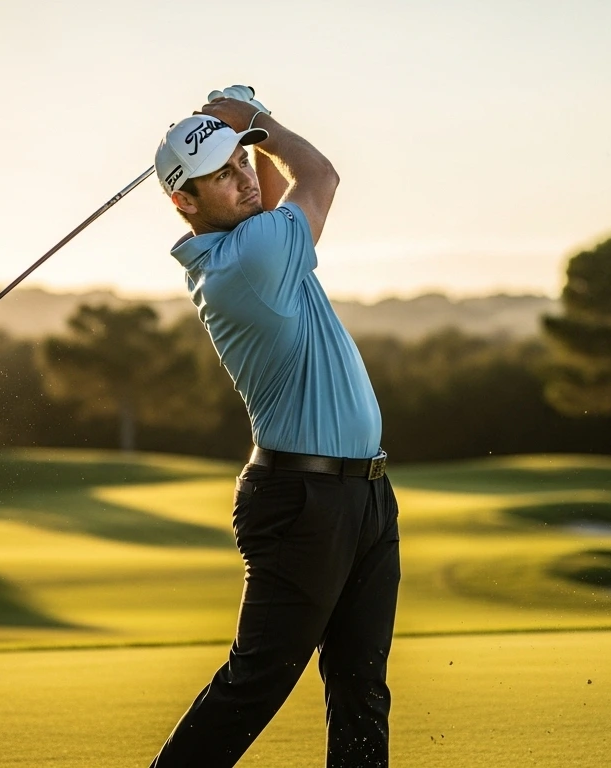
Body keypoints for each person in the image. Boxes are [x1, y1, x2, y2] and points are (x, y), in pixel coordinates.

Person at [148, 87, 400, 768]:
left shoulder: (253, 238)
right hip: (303, 501)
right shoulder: (250, 259)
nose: (241, 181)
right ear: (185, 203)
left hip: (364, 495)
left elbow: (271, 185)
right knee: (254, 685)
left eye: (240, 163)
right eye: (221, 177)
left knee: (361, 690)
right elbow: (318, 176)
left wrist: (234, 131)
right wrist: (255, 120)